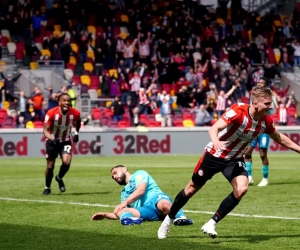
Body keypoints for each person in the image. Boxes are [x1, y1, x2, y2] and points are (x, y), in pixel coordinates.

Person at [157, 86, 300, 239]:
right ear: (255, 103)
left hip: (235, 159)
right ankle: (168, 219)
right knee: (191, 189)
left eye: (270, 103)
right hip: (214, 155)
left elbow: (279, 138)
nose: (270, 106)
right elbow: (214, 128)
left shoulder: (265, 121)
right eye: (267, 103)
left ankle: (211, 223)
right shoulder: (238, 111)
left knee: (242, 188)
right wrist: (216, 141)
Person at [91, 165, 193, 226]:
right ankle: (131, 221)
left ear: (124, 169)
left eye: (115, 172)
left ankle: (181, 218)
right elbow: (120, 212)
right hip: (145, 210)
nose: (114, 176)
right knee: (121, 210)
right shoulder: (124, 193)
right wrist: (105, 215)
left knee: (164, 206)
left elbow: (141, 190)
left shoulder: (139, 174)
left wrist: (124, 203)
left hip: (156, 198)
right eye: (113, 177)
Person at [42, 93, 81, 195]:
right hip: (52, 141)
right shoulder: (51, 113)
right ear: (59, 102)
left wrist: (76, 133)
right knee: (50, 166)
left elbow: (78, 121)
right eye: (64, 100)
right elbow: (45, 131)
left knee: (66, 162)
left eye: (68, 101)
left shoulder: (75, 113)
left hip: (66, 141)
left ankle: (59, 178)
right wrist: (52, 139)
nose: (67, 103)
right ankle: (47, 187)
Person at [244, 77, 277, 186]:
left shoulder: (269, 98)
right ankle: (249, 177)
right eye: (258, 83)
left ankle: (265, 179)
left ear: (266, 85)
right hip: (253, 128)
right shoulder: (253, 96)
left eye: (262, 83)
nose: (259, 84)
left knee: (263, 154)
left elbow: (271, 110)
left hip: (263, 128)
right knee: (247, 153)